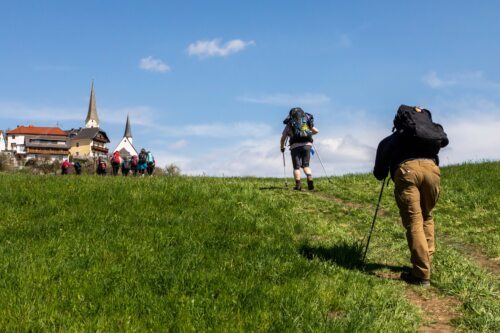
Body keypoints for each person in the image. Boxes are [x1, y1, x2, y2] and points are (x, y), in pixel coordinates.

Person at [373, 105, 449, 287]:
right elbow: (443, 142)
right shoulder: (430, 134)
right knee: (427, 216)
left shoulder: (391, 140)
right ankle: (426, 263)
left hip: (407, 172)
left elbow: (379, 173)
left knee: (414, 222)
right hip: (432, 170)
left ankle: (421, 274)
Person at [280, 107, 319, 190]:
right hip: (307, 145)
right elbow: (316, 131)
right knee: (306, 165)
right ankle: (310, 178)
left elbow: (283, 138)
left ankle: (298, 185)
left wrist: (282, 147)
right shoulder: (306, 121)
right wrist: (308, 134)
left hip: (295, 146)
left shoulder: (289, 124)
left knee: (296, 167)